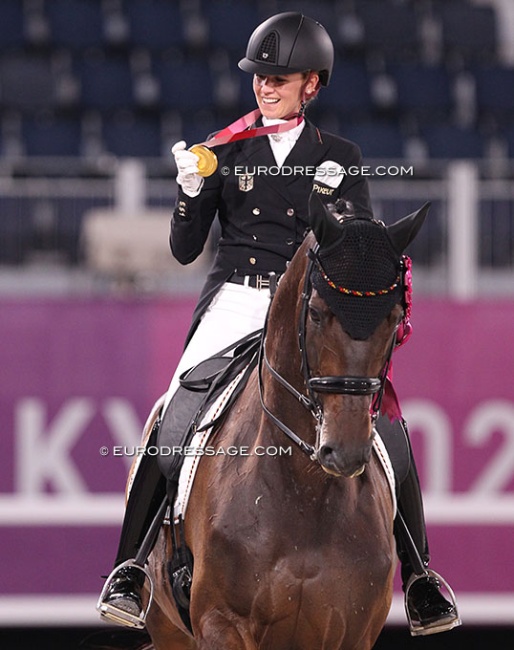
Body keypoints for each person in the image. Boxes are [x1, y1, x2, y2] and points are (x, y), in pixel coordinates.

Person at [97, 11, 460, 637]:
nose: (265, 87)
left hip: (309, 306)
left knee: (387, 432)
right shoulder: (223, 149)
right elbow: (186, 250)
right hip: (237, 300)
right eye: (260, 76)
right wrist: (189, 190)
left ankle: (421, 575)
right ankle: (131, 568)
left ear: (311, 86)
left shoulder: (339, 158)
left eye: (279, 77)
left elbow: (361, 250)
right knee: (175, 410)